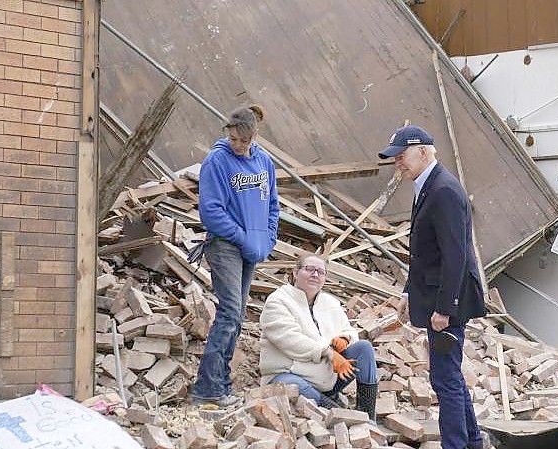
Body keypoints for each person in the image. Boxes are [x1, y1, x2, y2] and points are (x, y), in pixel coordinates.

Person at [378, 125, 486, 449]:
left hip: (447, 303)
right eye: (395, 157)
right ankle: (473, 442)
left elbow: (456, 255)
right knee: (448, 374)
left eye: (402, 155)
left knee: (445, 379)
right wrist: (408, 292)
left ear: (423, 151)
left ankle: (456, 444)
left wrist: (444, 308)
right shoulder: (428, 186)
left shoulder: (444, 191)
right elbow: (425, 251)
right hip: (436, 297)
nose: (398, 162)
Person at [190, 105, 280, 407]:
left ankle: (222, 382)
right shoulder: (217, 161)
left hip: (251, 247)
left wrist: (267, 238)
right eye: (233, 139)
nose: (237, 145)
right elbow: (211, 211)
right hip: (225, 245)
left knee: (238, 316)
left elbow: (272, 205)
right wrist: (243, 238)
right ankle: (208, 387)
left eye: (243, 140)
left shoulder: (264, 162)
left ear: (254, 136)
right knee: (229, 313)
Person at [258, 253, 378, 420]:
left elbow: (349, 330)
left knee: (364, 348)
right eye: (309, 269)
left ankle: (367, 415)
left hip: (326, 378)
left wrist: (345, 339)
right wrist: (328, 352)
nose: (315, 274)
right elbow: (289, 339)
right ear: (295, 272)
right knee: (294, 386)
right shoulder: (278, 301)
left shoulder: (330, 303)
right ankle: (342, 417)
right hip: (289, 373)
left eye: (320, 272)